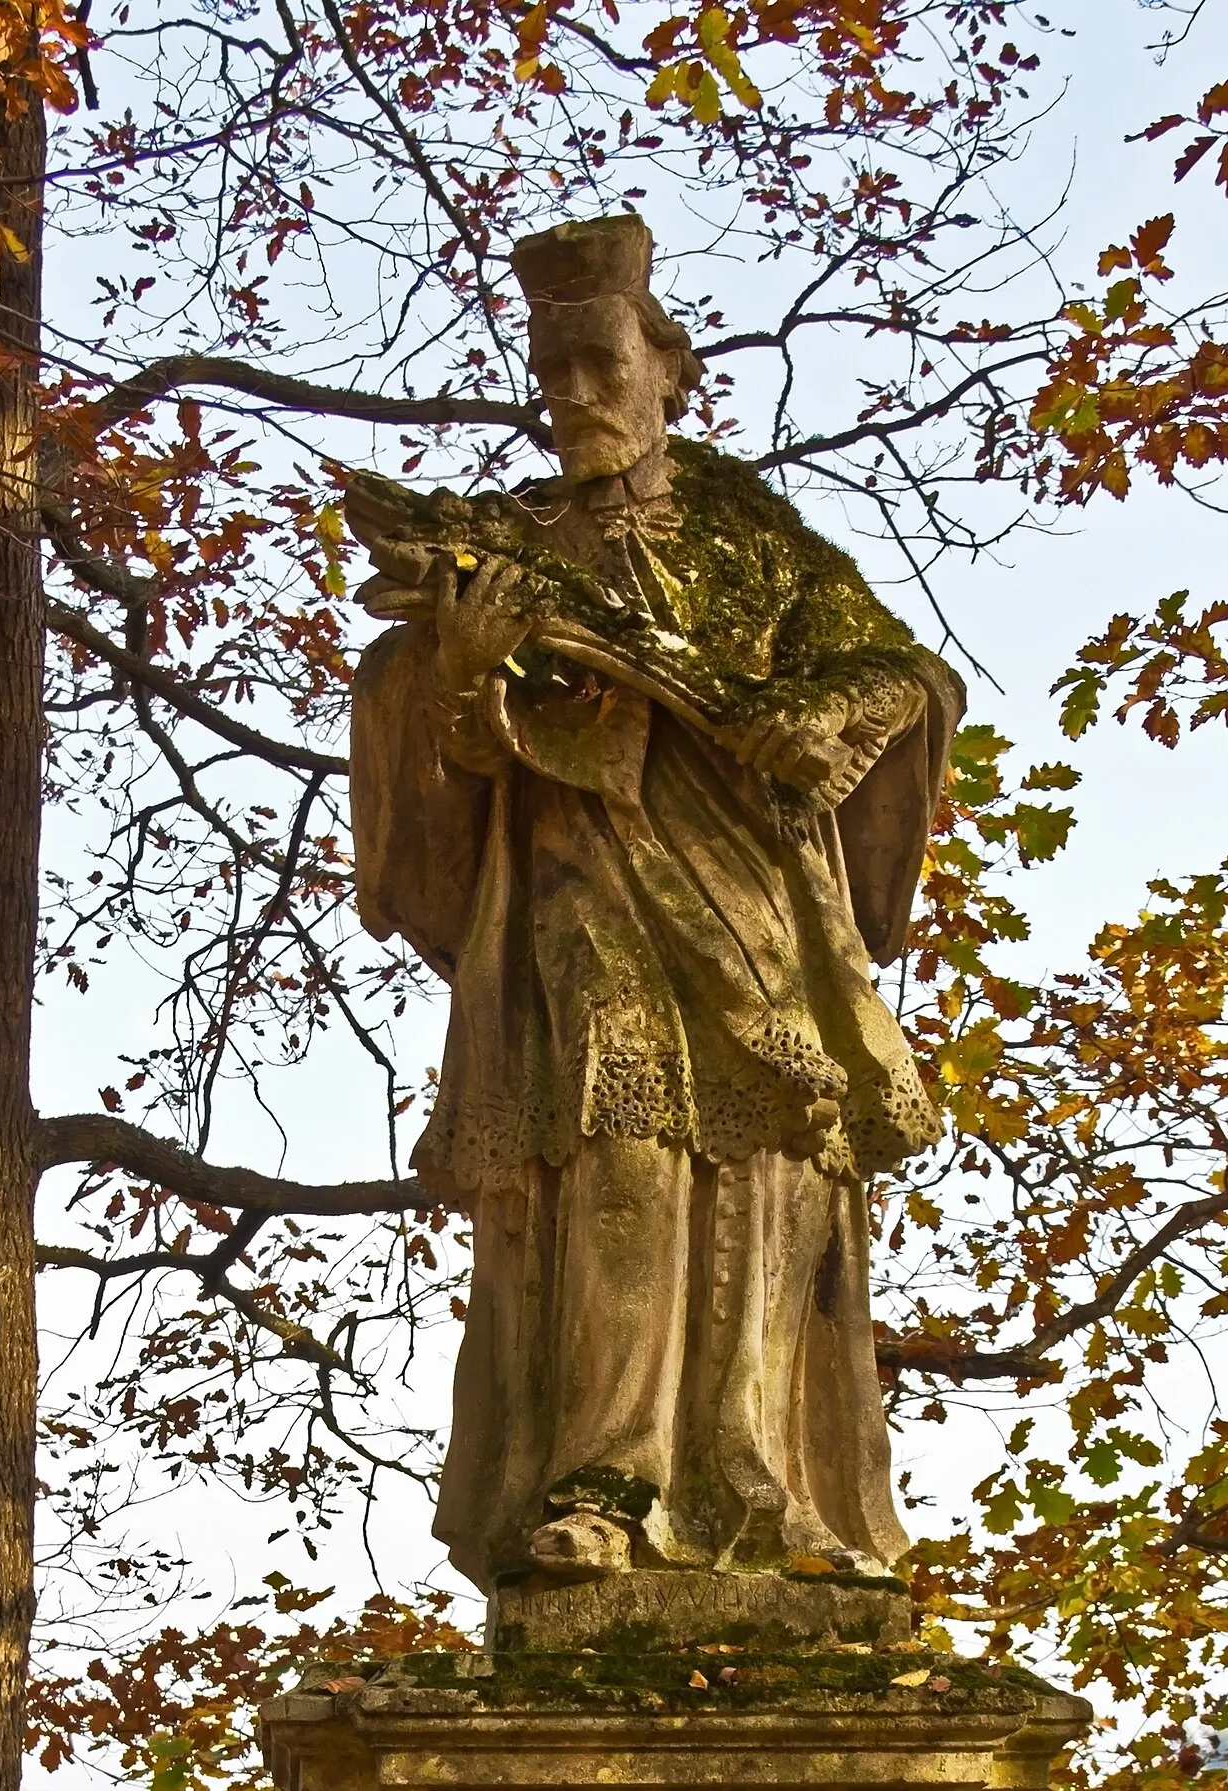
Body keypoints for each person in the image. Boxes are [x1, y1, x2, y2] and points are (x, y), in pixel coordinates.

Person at [349, 211, 962, 1592]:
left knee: (766, 1163)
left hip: (758, 902)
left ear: (665, 366)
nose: (569, 396)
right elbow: (438, 747)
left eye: (596, 364)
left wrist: (825, 717)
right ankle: (605, 1480)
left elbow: (907, 674)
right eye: (548, 370)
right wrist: (466, 674)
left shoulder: (748, 535)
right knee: (620, 1140)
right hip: (584, 885)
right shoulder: (504, 544)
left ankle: (755, 1491)